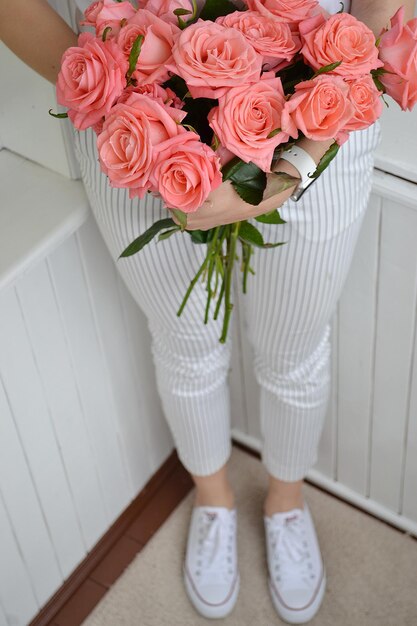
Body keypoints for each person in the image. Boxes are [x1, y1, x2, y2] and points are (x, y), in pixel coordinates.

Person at [1, 0, 414, 622]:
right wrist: (134, 108)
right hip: (129, 122)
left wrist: (298, 159)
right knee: (183, 344)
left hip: (324, 112)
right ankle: (213, 500)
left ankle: (285, 503)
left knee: (295, 351)